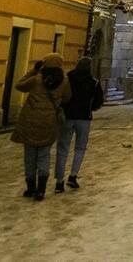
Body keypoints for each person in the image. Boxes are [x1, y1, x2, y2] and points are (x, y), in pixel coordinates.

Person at [12, 53, 71, 201]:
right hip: (49, 122)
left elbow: (20, 85)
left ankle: (30, 187)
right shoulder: (63, 81)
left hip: (30, 121)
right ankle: (41, 189)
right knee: (44, 156)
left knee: (30, 156)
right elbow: (67, 98)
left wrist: (34, 70)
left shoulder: (37, 79)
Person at [55, 56, 103, 193]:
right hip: (84, 118)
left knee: (62, 148)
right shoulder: (93, 82)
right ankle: (73, 176)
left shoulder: (67, 78)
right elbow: (99, 100)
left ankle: (59, 181)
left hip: (68, 117)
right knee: (80, 148)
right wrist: (90, 108)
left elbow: (61, 95)